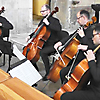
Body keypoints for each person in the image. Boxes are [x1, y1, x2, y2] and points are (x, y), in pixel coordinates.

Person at [26, 4, 69, 81]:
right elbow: (37, 31)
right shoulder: (43, 20)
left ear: (48, 11)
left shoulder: (55, 21)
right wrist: (30, 36)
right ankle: (34, 69)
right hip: (44, 43)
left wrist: (48, 24)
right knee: (29, 50)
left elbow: (58, 29)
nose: (42, 13)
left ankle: (48, 73)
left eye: (43, 11)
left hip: (53, 44)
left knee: (42, 52)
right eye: (41, 11)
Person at [54, 9, 96, 84]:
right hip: (76, 57)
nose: (77, 21)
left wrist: (83, 36)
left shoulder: (93, 31)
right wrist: (60, 43)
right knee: (62, 72)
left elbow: (92, 46)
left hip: (84, 60)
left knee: (66, 74)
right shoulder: (81, 28)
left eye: (78, 18)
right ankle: (64, 90)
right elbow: (70, 37)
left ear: (84, 18)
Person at [60, 23, 100, 100]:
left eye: (94, 35)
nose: (92, 38)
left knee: (65, 97)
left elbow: (97, 77)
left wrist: (91, 60)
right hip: (94, 87)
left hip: (97, 92)